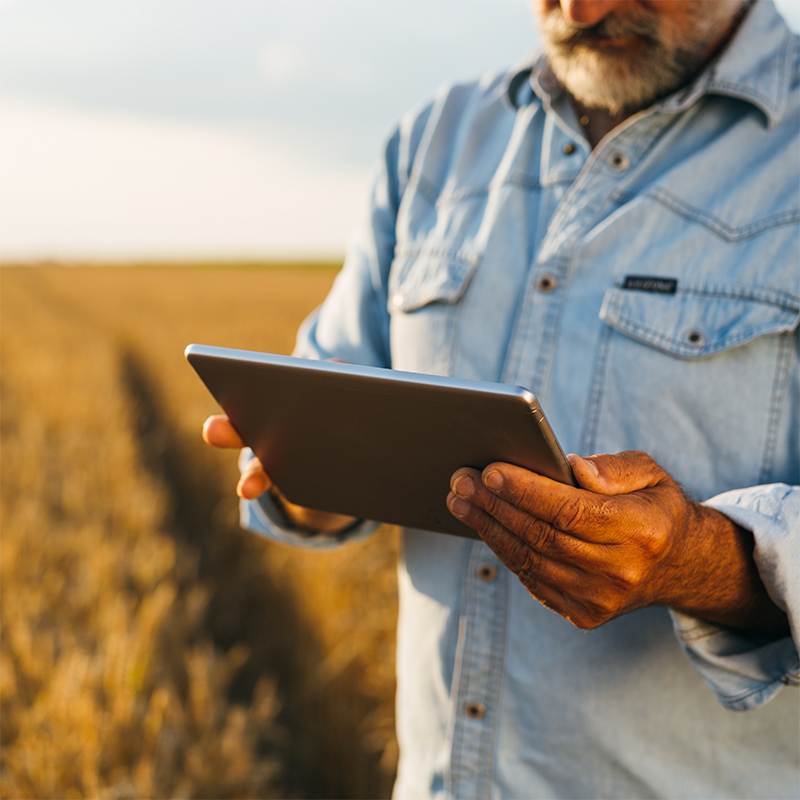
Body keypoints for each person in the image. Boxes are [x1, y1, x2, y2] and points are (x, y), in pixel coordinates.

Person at [204, 0, 800, 796]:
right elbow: (341, 390)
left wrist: (702, 564)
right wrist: (304, 474)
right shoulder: (435, 140)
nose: (582, 10)